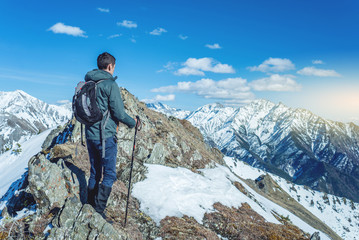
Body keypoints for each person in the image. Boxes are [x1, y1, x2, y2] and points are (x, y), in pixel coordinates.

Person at [85, 52, 136, 218]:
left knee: (94, 172)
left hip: (90, 134)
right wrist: (133, 122)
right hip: (105, 136)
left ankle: (89, 205)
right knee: (109, 175)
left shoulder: (89, 82)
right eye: (114, 67)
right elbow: (119, 113)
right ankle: (98, 211)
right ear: (110, 66)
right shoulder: (110, 84)